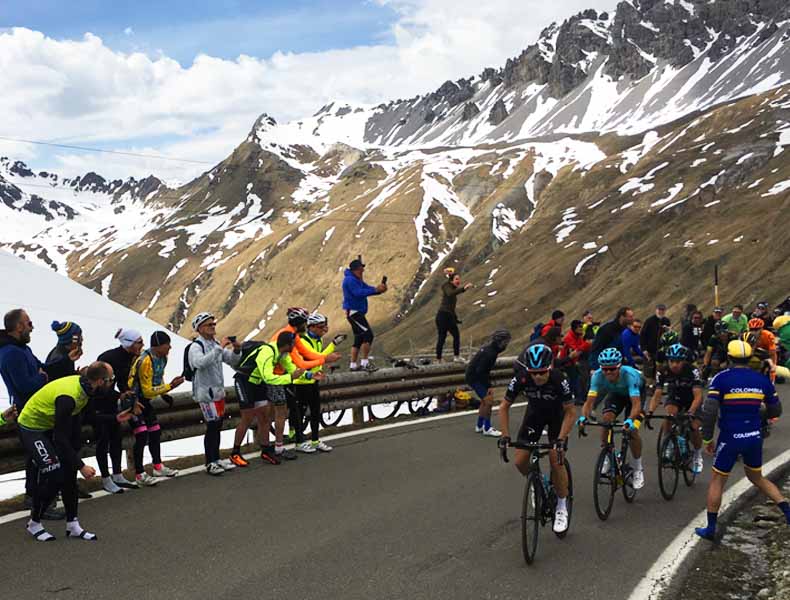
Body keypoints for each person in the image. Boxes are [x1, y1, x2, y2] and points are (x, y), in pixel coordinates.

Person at [18, 362, 126, 541]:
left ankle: (73, 524)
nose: (112, 383)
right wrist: (82, 465)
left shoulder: (86, 389)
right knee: (54, 474)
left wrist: (114, 418)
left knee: (68, 474)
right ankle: (34, 523)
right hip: (32, 429)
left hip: (49, 426)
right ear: (100, 381)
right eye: (111, 380)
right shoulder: (69, 397)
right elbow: (60, 439)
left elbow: (89, 417)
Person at [695, 340, 789, 541]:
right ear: (749, 358)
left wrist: (707, 438)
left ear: (729, 358)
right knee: (757, 477)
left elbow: (710, 411)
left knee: (718, 479)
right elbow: (776, 410)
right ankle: (787, 511)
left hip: (730, 436)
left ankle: (710, 528)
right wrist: (758, 414)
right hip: (754, 436)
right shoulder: (761, 380)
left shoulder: (721, 378)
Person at [498, 344, 575, 533]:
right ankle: (537, 481)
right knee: (519, 461)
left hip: (557, 416)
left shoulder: (559, 379)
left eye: (542, 372)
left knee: (555, 458)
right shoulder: (521, 378)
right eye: (534, 373)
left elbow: (571, 412)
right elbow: (503, 407)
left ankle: (562, 506)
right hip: (535, 415)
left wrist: (561, 439)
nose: (538, 377)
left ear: (549, 367)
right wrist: (505, 435)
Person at [0, 308, 63, 519]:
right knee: (38, 457)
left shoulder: (22, 349)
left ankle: (39, 497)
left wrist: (65, 363)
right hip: (28, 413)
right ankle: (37, 500)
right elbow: (24, 385)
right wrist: (42, 378)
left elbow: (42, 367)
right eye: (28, 323)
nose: (32, 327)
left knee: (38, 456)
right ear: (18, 327)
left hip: (38, 411)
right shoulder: (10, 353)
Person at [270, 307, 341, 452]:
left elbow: (309, 355)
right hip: (280, 377)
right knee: (290, 413)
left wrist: (323, 360)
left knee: (312, 411)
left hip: (295, 374)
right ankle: (292, 442)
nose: (306, 324)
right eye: (305, 322)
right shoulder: (288, 335)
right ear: (300, 322)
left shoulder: (294, 335)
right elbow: (302, 362)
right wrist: (325, 360)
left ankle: (311, 441)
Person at [579, 348, 646, 489]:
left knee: (632, 430)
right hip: (616, 394)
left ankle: (638, 468)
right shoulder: (597, 376)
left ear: (619, 366)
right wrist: (583, 417)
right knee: (606, 421)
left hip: (635, 396)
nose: (608, 373)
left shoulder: (629, 375)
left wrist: (629, 420)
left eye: (612, 369)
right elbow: (589, 402)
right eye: (605, 369)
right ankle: (608, 456)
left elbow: (636, 404)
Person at [127, 331, 185, 485]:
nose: (170, 347)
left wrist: (164, 393)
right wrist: (170, 387)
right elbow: (146, 390)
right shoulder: (145, 361)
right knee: (141, 435)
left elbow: (157, 379)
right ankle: (139, 474)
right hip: (134, 401)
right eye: (167, 344)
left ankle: (157, 466)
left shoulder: (163, 357)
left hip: (146, 401)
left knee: (155, 431)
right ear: (158, 346)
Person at [188, 312, 242, 474]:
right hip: (205, 393)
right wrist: (219, 348)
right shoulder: (196, 346)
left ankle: (216, 458)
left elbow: (232, 361)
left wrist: (237, 350)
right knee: (211, 426)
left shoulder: (214, 344)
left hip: (218, 392)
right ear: (200, 328)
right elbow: (199, 363)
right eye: (209, 325)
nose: (213, 327)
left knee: (218, 425)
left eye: (214, 324)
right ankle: (209, 462)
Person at [94, 328, 144, 493]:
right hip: (99, 404)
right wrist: (121, 395)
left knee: (116, 438)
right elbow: (100, 386)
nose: (142, 345)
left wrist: (129, 398)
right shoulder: (108, 358)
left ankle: (117, 474)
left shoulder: (133, 357)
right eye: (139, 342)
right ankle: (105, 479)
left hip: (113, 403)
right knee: (103, 440)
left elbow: (124, 383)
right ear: (129, 343)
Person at [646, 343, 705, 473]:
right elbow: (657, 394)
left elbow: (698, 396)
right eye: (671, 361)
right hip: (676, 396)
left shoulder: (692, 370)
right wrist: (650, 412)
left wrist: (691, 412)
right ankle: (669, 445)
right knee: (669, 417)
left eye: (678, 361)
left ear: (683, 361)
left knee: (694, 427)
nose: (674, 365)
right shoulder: (662, 371)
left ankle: (697, 455)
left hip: (692, 398)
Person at [248, 331, 306, 462]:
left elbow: (292, 368)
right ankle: (270, 448)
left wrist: (308, 375)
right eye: (293, 344)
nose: (295, 346)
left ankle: (273, 447)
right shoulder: (268, 352)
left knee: (274, 414)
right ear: (288, 344)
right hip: (261, 382)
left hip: (271, 381)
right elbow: (269, 378)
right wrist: (290, 377)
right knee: (271, 415)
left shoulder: (282, 353)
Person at [292, 312, 345, 453]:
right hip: (301, 381)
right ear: (312, 327)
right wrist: (327, 358)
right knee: (300, 414)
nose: (324, 330)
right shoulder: (303, 341)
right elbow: (309, 360)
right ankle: (298, 442)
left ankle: (315, 440)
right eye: (322, 327)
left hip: (314, 379)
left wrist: (333, 345)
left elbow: (319, 356)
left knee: (316, 412)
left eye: (325, 326)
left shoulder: (318, 340)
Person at [342, 258, 387, 371]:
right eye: (361, 268)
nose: (363, 270)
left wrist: (377, 290)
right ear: (356, 269)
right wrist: (376, 290)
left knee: (359, 338)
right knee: (368, 335)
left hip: (355, 312)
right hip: (354, 312)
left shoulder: (355, 279)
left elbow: (366, 288)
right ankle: (364, 363)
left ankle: (353, 365)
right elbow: (358, 293)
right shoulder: (350, 280)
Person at [465, 329, 511, 437]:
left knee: (484, 401)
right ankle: (487, 427)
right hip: (475, 377)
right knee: (489, 401)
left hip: (473, 376)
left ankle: (479, 425)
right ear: (500, 341)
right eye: (505, 342)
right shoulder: (491, 353)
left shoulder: (489, 349)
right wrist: (488, 386)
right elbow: (481, 371)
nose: (506, 345)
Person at [435, 267, 473, 363]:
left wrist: (456, 319)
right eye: (456, 279)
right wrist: (464, 288)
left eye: (459, 279)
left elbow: (451, 308)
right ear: (451, 280)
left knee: (455, 335)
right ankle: (439, 358)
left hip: (448, 316)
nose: (458, 281)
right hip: (443, 316)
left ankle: (455, 357)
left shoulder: (451, 288)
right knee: (442, 337)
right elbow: (450, 293)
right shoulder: (446, 286)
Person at [560, 319, 592, 403]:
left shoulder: (578, 336)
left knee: (579, 377)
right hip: (566, 361)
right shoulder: (569, 337)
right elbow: (575, 351)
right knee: (576, 378)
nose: (581, 329)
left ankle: (581, 396)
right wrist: (586, 344)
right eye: (580, 327)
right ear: (574, 328)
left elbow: (581, 347)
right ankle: (578, 398)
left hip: (574, 361)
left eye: (582, 327)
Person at [641, 304, 670, 388]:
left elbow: (669, 335)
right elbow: (643, 335)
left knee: (660, 370)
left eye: (663, 310)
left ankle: (658, 387)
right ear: (656, 310)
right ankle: (648, 387)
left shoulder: (666, 321)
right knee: (649, 370)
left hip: (661, 349)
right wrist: (644, 349)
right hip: (650, 349)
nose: (661, 312)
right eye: (659, 310)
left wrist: (668, 330)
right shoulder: (649, 321)